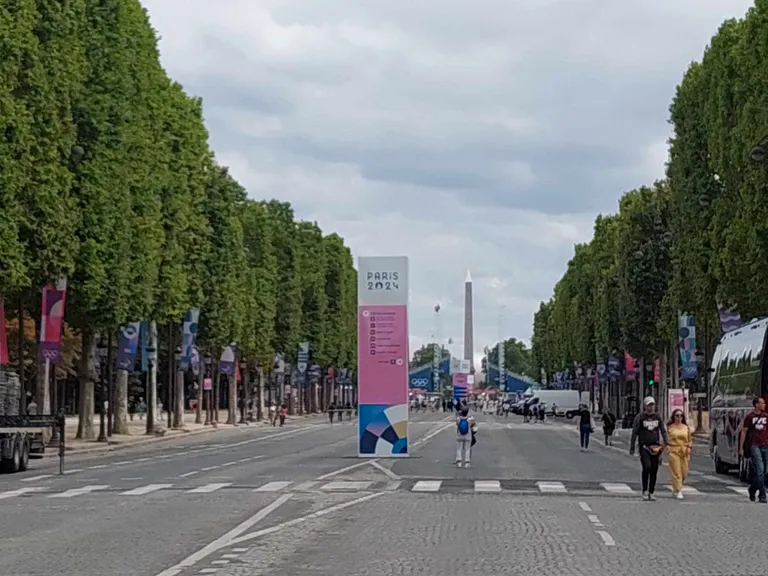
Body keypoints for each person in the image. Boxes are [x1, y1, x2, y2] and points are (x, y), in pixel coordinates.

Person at [629, 397, 669, 501]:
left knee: (654, 470)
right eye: (649, 405)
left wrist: (666, 442)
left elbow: (663, 430)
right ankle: (644, 490)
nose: (651, 407)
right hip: (644, 446)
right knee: (647, 467)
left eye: (652, 405)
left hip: (656, 447)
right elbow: (635, 432)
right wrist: (632, 446)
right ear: (645, 406)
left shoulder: (657, 417)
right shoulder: (640, 417)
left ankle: (651, 492)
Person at [738, 396, 768, 503]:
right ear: (756, 405)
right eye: (762, 403)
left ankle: (753, 488)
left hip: (766, 445)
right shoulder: (750, 417)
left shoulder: (766, 416)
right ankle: (762, 494)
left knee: (765, 471)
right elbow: (744, 432)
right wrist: (741, 448)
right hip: (755, 446)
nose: (764, 405)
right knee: (759, 469)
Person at [667, 408, 692, 499]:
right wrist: (667, 446)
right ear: (674, 417)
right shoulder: (670, 427)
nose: (679, 417)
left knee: (684, 472)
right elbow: (666, 438)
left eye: (681, 415)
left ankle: (675, 487)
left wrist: (689, 447)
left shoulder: (686, 427)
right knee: (676, 471)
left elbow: (689, 439)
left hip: (684, 451)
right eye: (677, 415)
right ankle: (678, 490)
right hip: (673, 450)